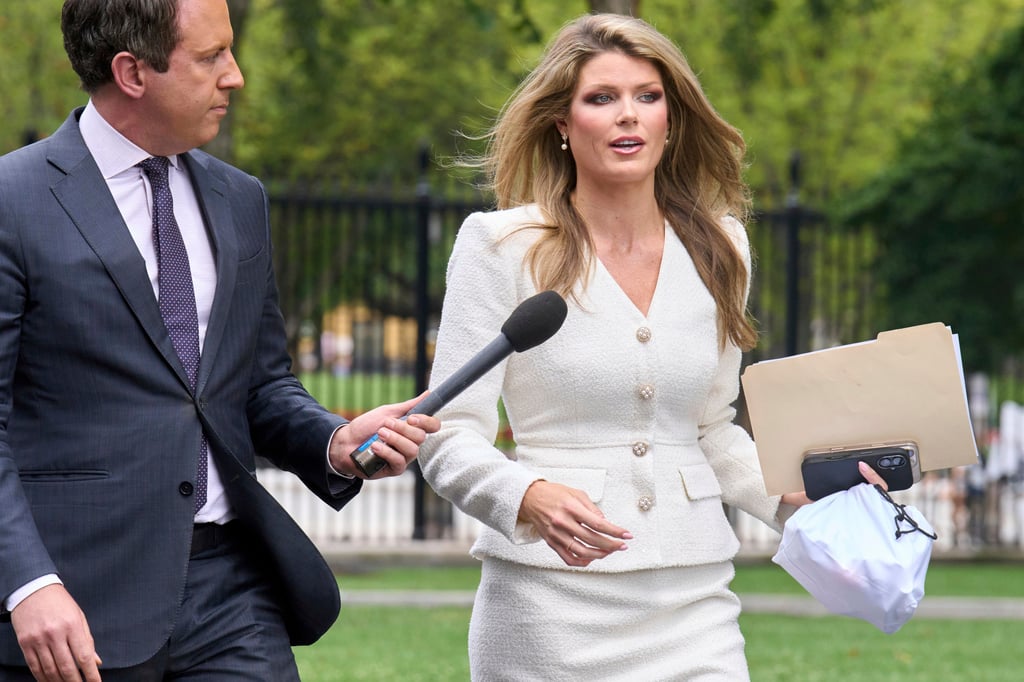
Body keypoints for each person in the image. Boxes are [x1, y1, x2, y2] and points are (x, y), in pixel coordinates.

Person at [418, 13, 885, 680]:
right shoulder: (500, 247)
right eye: (600, 98)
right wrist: (525, 495)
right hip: (549, 602)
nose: (627, 116)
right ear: (561, 121)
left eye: (647, 95)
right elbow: (445, 432)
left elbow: (711, 429)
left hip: (693, 601)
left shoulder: (722, 247)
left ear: (672, 116)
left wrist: (794, 500)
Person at [0, 0, 439, 680]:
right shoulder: (12, 201)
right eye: (211, 57)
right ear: (132, 71)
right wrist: (28, 585)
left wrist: (333, 440)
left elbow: (257, 385)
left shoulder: (240, 199)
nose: (234, 76)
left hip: (233, 592)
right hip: (74, 599)